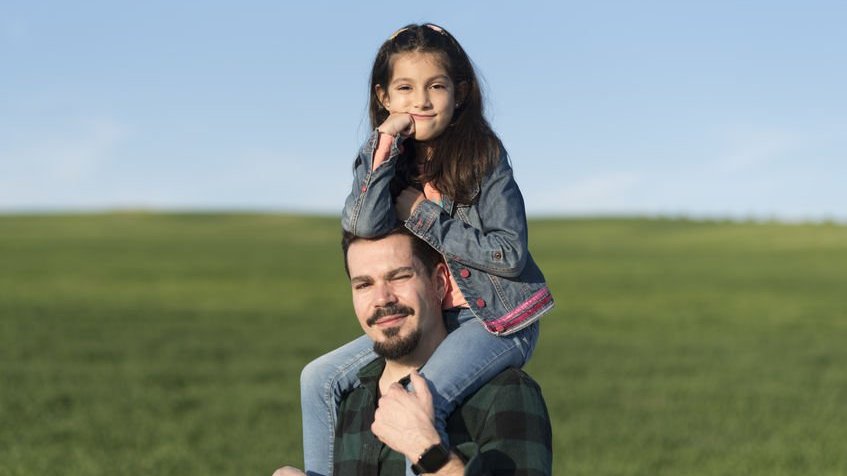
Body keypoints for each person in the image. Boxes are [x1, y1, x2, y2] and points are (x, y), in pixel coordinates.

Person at [300, 23, 555, 475]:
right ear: (384, 97)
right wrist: (384, 141)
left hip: (492, 320)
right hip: (434, 314)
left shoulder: (483, 157)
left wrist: (422, 214)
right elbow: (361, 224)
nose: (420, 101)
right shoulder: (392, 159)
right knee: (317, 378)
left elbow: (509, 255)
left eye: (435, 86)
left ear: (459, 93)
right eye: (405, 88)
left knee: (413, 405)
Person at [276, 229, 552, 475]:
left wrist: (430, 454)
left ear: (440, 283)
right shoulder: (348, 400)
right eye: (364, 285)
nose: (382, 298)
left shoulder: (505, 393)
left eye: (399, 277)